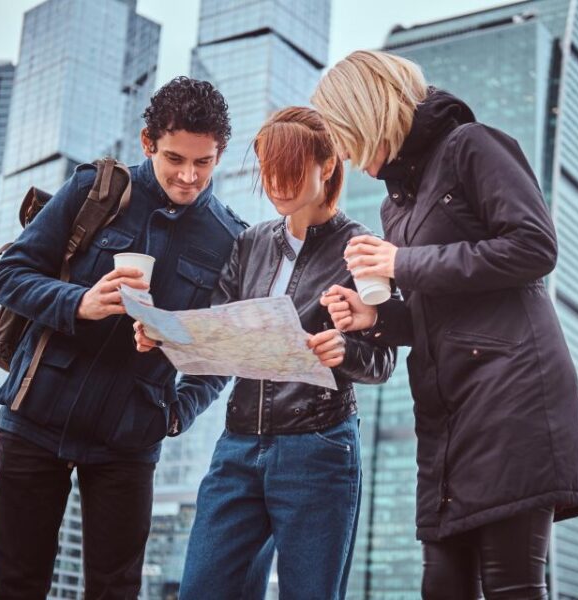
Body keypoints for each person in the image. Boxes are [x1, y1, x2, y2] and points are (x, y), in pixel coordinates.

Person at [313, 50, 578, 599]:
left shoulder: (473, 145)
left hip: (512, 397)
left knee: (512, 586)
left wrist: (401, 264)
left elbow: (535, 247)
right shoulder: (396, 207)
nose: (347, 156)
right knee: (442, 588)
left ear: (369, 113)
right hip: (447, 416)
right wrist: (375, 316)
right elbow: (435, 310)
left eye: (348, 138)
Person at [0, 76, 246, 599]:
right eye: (175, 159)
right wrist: (78, 302)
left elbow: (218, 354)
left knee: (116, 591)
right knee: (17, 587)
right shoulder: (95, 190)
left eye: (204, 162)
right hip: (35, 416)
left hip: (130, 437)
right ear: (148, 141)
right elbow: (8, 275)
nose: (189, 177)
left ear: (220, 154)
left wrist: (177, 413)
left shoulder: (231, 239)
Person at [135, 106, 397, 600]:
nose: (277, 185)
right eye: (268, 171)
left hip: (318, 449)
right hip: (238, 446)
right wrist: (166, 339)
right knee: (202, 590)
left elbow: (384, 361)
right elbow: (219, 335)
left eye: (291, 171)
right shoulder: (251, 243)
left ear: (327, 166)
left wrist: (343, 350)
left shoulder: (362, 247)